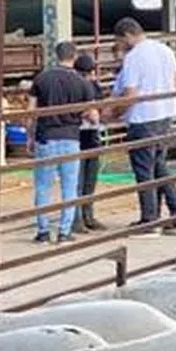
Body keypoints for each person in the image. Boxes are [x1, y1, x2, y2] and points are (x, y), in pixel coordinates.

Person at [109, 17, 176, 236]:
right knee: (159, 165)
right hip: (165, 114)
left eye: (119, 41)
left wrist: (114, 113)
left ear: (126, 36)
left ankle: (150, 219)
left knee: (144, 169)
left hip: (143, 118)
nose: (120, 46)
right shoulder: (164, 50)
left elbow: (131, 94)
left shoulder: (134, 57)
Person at [26, 40, 97, 243]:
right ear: (74, 57)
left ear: (55, 55)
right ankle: (64, 232)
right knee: (69, 187)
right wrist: (79, 114)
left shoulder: (41, 79)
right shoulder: (82, 83)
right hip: (71, 138)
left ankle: (43, 231)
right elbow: (93, 115)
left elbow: (30, 113)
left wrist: (30, 137)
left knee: (42, 186)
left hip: (45, 138)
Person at [74, 52, 107, 233]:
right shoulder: (75, 86)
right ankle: (77, 218)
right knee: (78, 179)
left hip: (93, 133)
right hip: (79, 133)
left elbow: (99, 107)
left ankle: (88, 214)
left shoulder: (95, 86)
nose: (90, 76)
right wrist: (88, 112)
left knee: (90, 179)